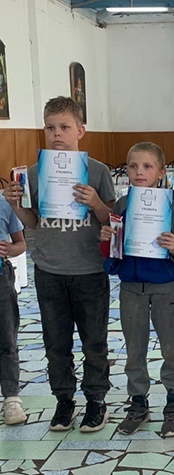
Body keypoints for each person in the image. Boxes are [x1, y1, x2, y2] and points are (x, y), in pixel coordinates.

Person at [4, 96, 115, 432]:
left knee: (94, 343)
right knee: (56, 344)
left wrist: (95, 201)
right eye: (50, 127)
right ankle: (64, 401)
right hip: (50, 271)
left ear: (80, 130)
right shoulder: (34, 173)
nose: (57, 134)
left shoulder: (98, 171)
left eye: (65, 127)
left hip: (90, 271)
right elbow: (34, 222)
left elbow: (112, 220)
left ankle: (96, 400)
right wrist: (17, 206)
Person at [100, 142, 174, 437]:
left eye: (147, 166)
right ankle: (138, 402)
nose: (139, 172)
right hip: (130, 288)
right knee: (134, 348)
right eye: (133, 166)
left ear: (161, 173)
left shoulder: (170, 206)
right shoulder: (121, 206)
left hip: (164, 288)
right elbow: (113, 253)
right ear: (126, 171)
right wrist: (108, 240)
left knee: (171, 347)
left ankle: (173, 402)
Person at [0, 195, 27, 425]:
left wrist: (9, 249)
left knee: (7, 338)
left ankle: (11, 398)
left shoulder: (3, 204)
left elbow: (21, 244)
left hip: (1, 279)